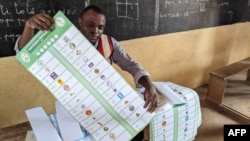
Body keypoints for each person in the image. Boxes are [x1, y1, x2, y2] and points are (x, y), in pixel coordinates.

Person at [14, 5, 158, 141]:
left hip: (106, 105)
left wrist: (149, 86)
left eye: (100, 27)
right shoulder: (62, 40)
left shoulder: (108, 43)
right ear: (80, 22)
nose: (95, 31)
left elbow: (132, 65)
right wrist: (29, 27)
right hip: (75, 107)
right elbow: (26, 56)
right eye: (90, 25)